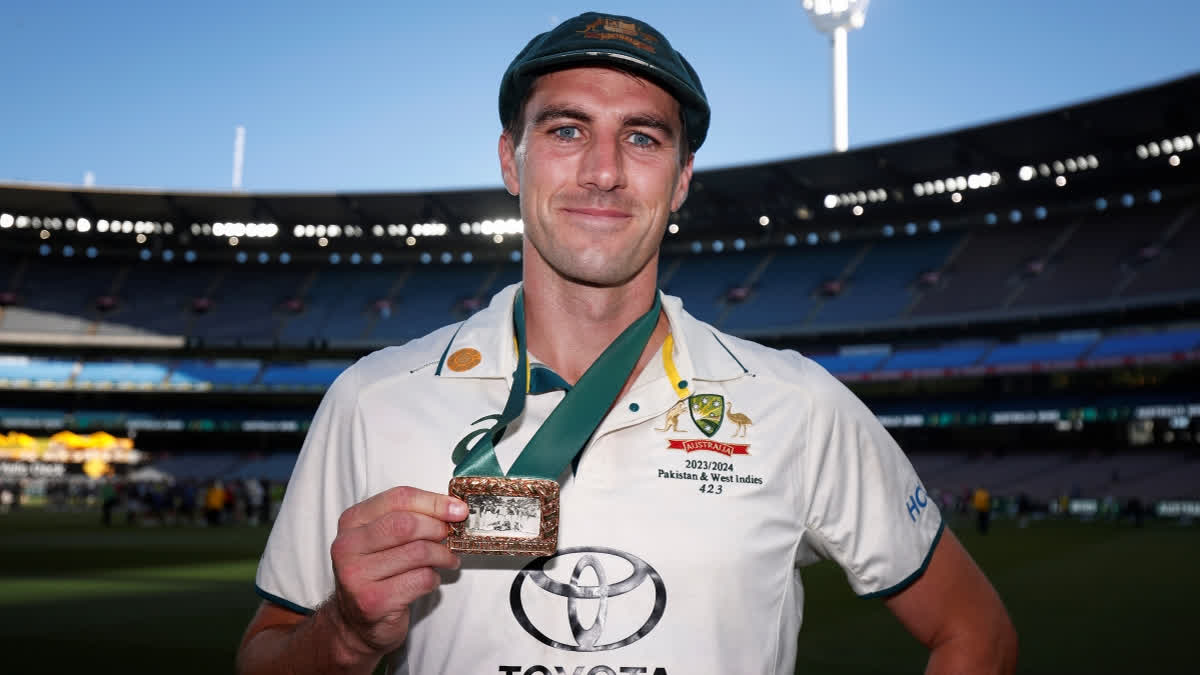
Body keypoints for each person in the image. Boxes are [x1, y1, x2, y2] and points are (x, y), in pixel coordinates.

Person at [237, 12, 1016, 675]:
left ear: (680, 181)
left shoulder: (797, 404)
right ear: (512, 159)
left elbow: (976, 630)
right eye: (568, 129)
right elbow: (263, 654)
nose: (603, 171)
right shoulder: (373, 399)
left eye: (642, 138)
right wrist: (342, 633)